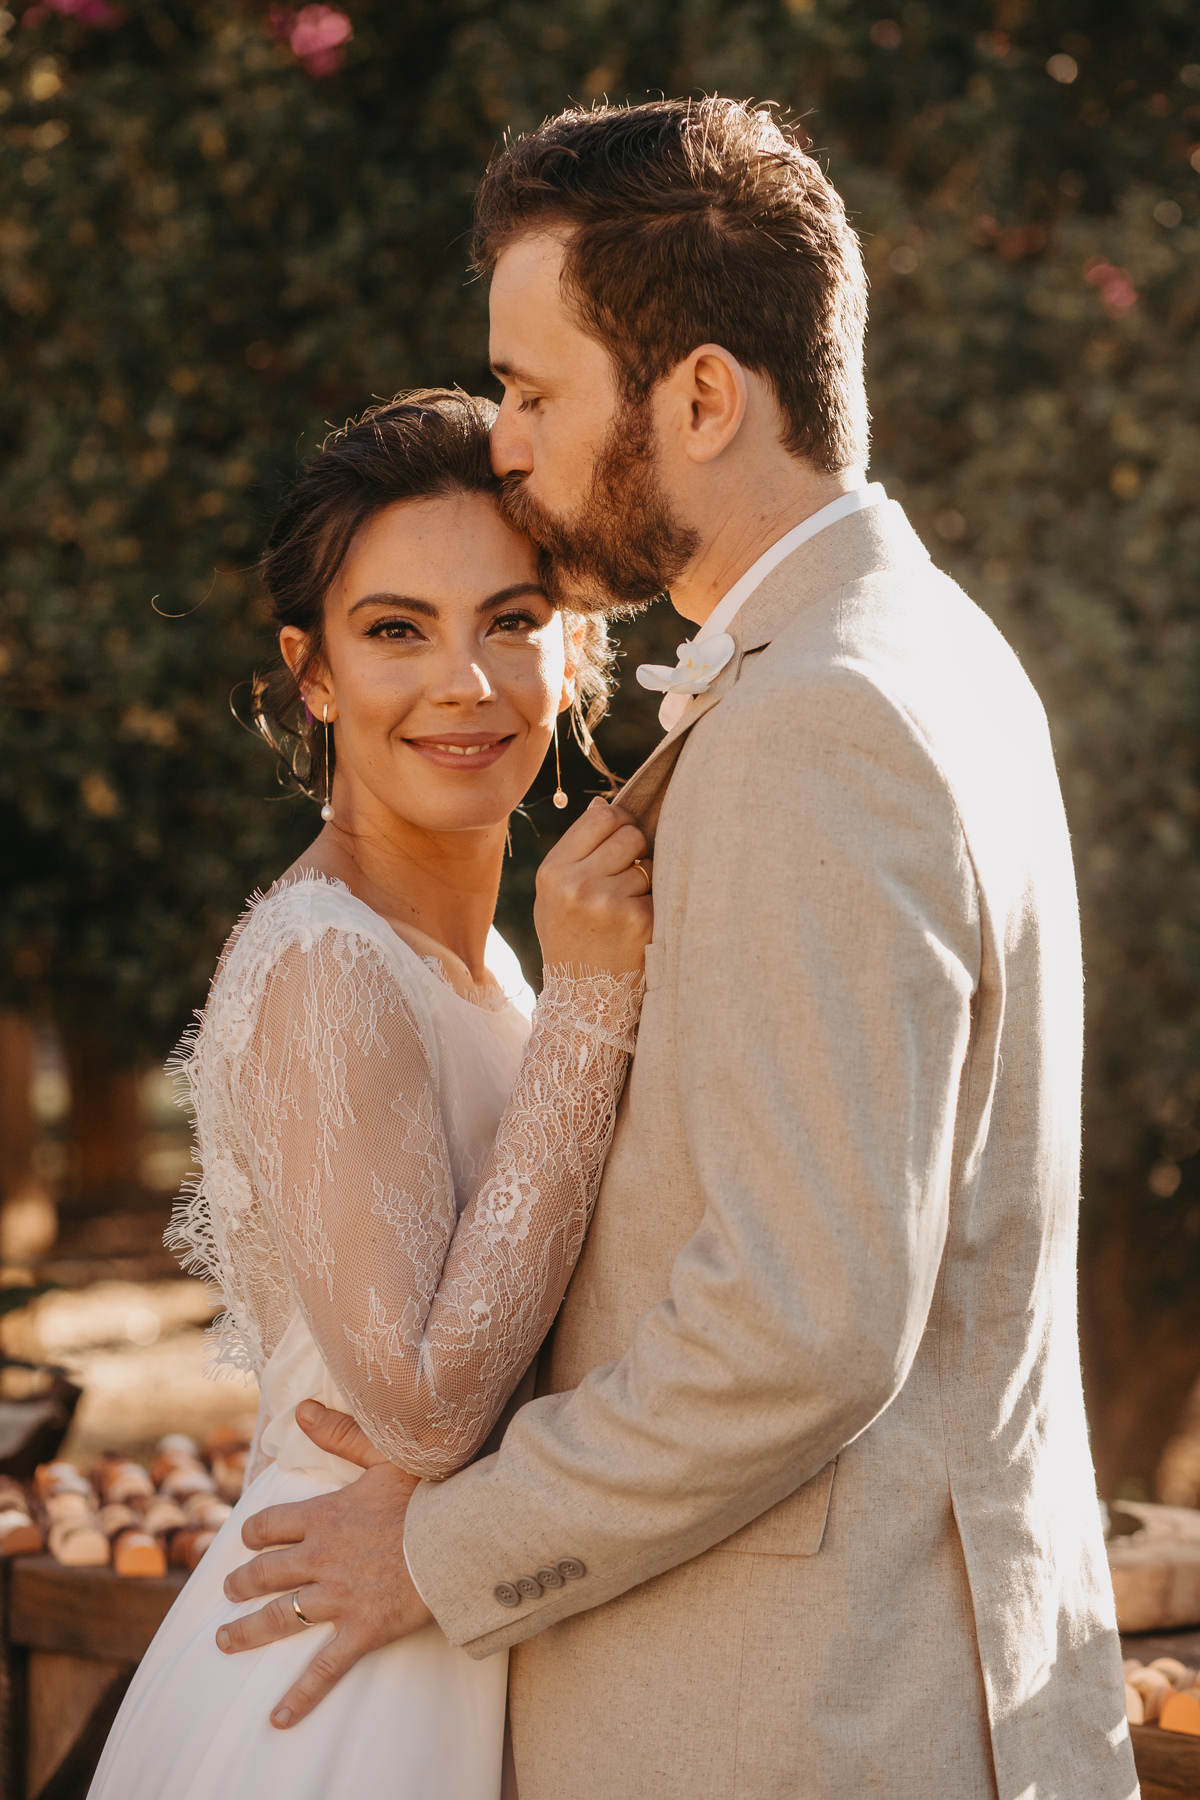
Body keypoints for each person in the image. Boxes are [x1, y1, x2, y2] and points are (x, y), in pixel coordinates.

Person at [217, 101, 1136, 1799]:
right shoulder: (923, 649)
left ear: (703, 397)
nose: (506, 442)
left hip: (794, 1720)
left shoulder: (819, 718)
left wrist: (440, 1553)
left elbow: (801, 1322)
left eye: (537, 391)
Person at [86, 389, 653, 1800]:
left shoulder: (492, 969)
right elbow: (414, 1418)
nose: (464, 682)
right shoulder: (326, 966)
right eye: (397, 629)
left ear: (573, 650)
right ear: (314, 671)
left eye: (511, 621)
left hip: (450, 1624)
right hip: (330, 1680)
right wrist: (595, 1004)